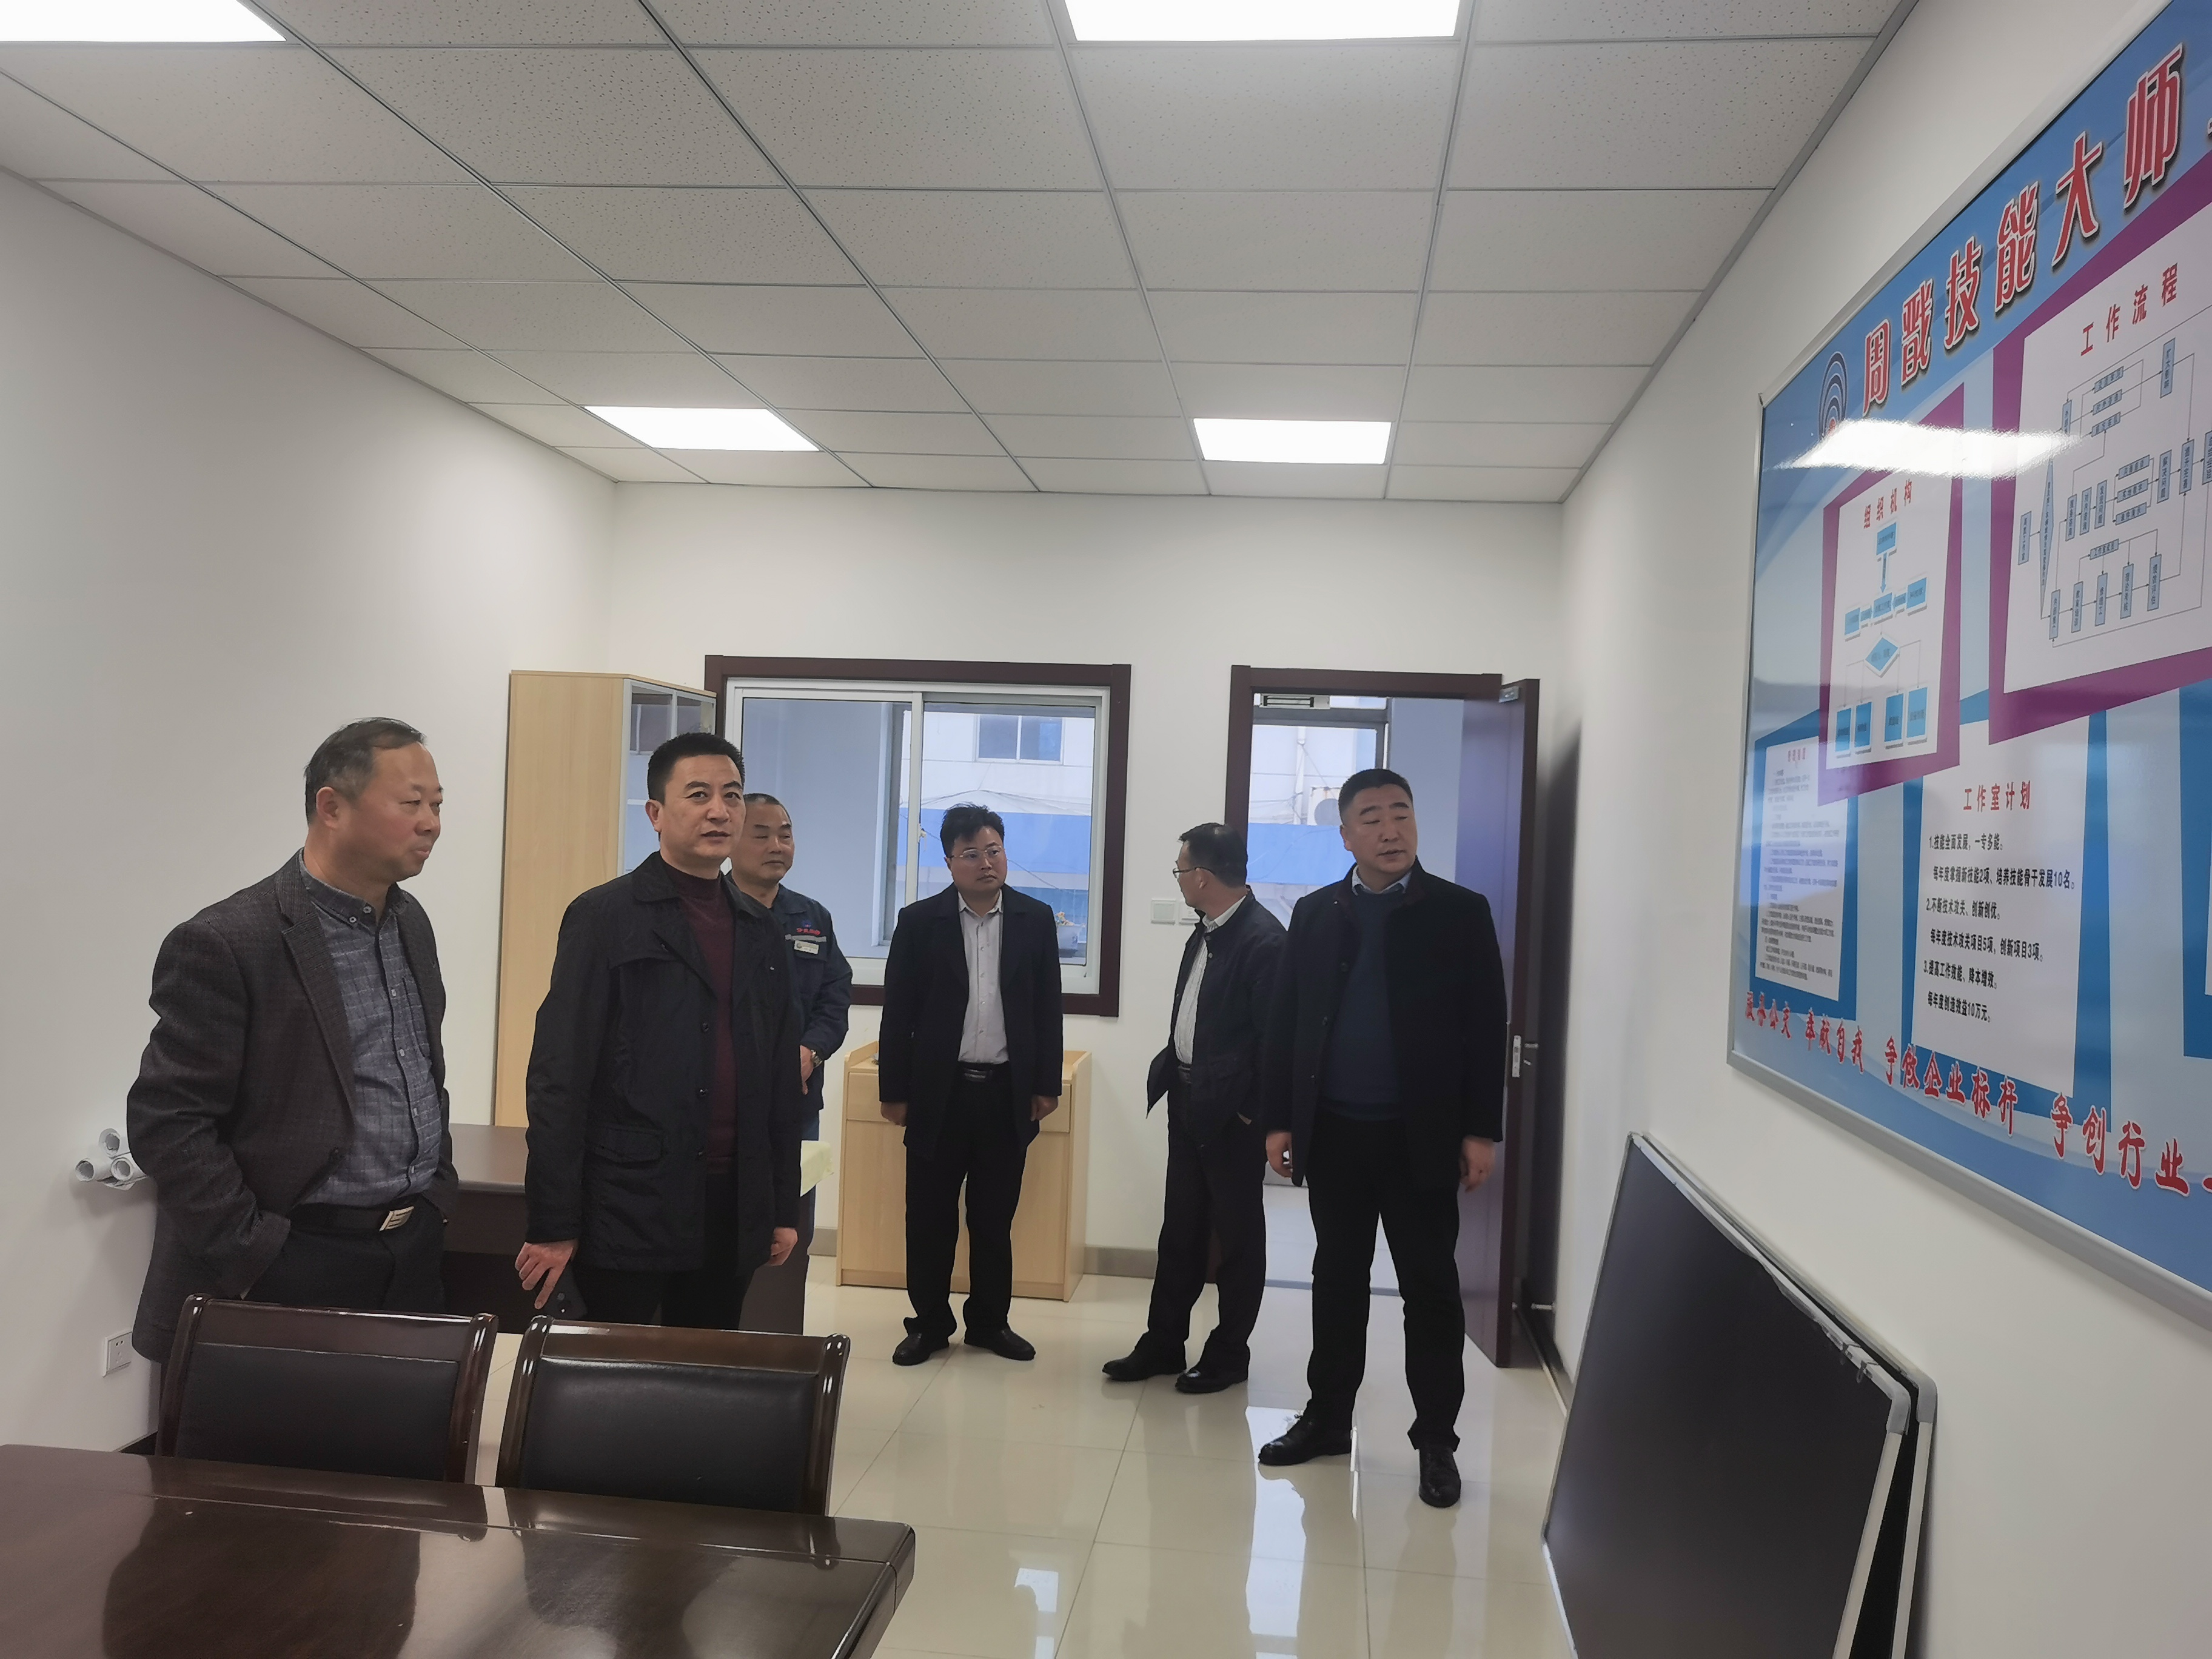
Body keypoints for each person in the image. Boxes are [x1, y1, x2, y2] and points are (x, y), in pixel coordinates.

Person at [128, 719, 455, 1363]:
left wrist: (436, 1193)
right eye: (412, 803)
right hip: (291, 1258)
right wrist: (255, 1253)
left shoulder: (410, 922)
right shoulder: (228, 941)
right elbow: (168, 1121)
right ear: (331, 807)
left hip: (408, 1251)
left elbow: (419, 1070)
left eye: (438, 805)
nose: (432, 824)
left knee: (403, 1430)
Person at [1256, 767, 1509, 1509]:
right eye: (1371, 818)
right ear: (1345, 835)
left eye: (1401, 813)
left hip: (1420, 1138)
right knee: (1337, 1281)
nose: (1390, 829)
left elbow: (1485, 1028)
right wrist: (1280, 1119)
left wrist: (1481, 1130)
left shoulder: (1460, 912)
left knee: (1430, 1290)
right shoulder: (1315, 914)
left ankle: (1436, 1442)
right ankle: (1328, 1419)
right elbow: (1286, 1023)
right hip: (1335, 1133)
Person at [515, 731, 804, 1327]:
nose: (719, 810)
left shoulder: (760, 929)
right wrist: (553, 1222)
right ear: (655, 813)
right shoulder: (605, 916)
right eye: (698, 795)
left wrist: (781, 1209)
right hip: (629, 1198)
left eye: (732, 795)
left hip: (731, 1200)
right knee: (612, 1368)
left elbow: (779, 1079)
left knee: (704, 1366)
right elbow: (558, 1075)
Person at [879, 803, 1064, 1365]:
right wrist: (894, 1091)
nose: (986, 863)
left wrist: (1046, 1084)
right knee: (929, 1218)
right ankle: (930, 1325)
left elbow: (1047, 1009)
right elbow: (898, 1012)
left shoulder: (1035, 918)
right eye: (972, 854)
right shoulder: (919, 922)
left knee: (993, 1218)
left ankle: (989, 1323)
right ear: (949, 862)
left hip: (1007, 1093)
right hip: (940, 1094)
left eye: (994, 851)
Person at [1105, 823, 1285, 1393]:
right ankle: (1163, 1343)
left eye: (1181, 870)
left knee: (1237, 1239)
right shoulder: (1207, 930)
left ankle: (1230, 1353)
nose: (1179, 879)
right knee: (1180, 1230)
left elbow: (1275, 1044)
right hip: (1189, 1100)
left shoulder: (1264, 941)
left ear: (1203, 877)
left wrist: (1252, 1116)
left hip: (1232, 1115)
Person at [728, 791, 853, 1257]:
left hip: (795, 1100)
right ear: (731, 840)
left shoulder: (812, 918)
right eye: (761, 835)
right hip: (722, 1102)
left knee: (789, 1227)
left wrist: (810, 1052)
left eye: (785, 835)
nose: (777, 846)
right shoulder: (708, 911)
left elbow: (834, 998)